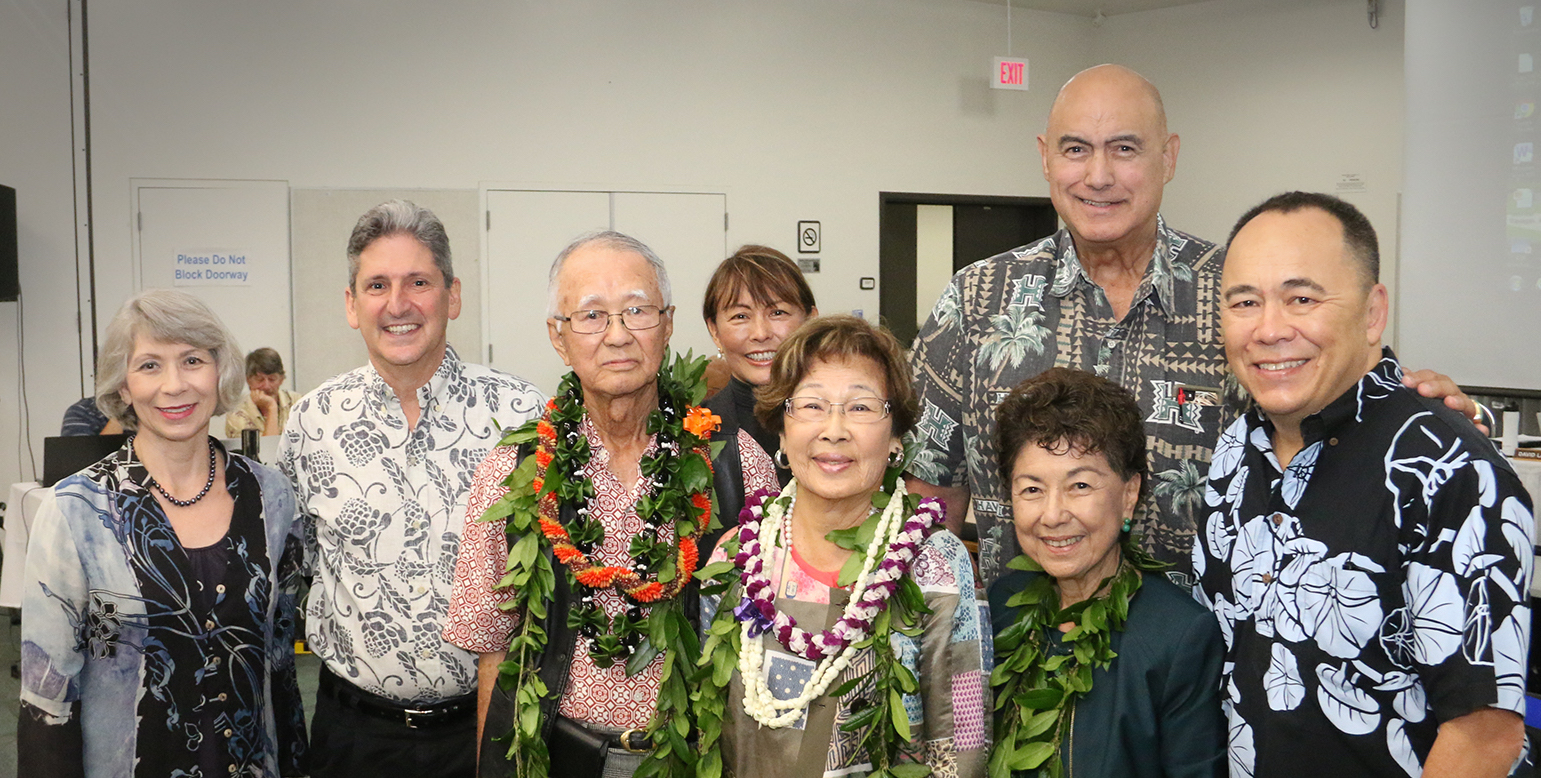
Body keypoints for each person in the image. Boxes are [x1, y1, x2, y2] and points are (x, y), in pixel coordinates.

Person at [906, 63, 1479, 589]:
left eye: (1124, 148)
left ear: (1169, 157)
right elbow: (930, 501)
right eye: (1076, 149)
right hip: (1022, 668)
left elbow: (1360, 422)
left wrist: (1435, 406)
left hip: (1209, 675)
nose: (1098, 175)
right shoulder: (977, 300)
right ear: (1045, 157)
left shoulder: (1242, 295)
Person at [1192, 192, 1533, 776]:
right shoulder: (1233, 454)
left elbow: (1483, 736)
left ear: (1373, 313)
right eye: (1244, 302)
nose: (1269, 329)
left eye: (1302, 298)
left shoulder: (1445, 469)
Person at [443, 230, 779, 777]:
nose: (618, 335)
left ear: (668, 325)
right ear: (559, 335)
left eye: (637, 310)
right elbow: (493, 650)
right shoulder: (514, 473)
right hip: (558, 756)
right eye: (592, 315)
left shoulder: (734, 465)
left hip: (695, 757)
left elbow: (759, 642)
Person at [277, 200, 544, 778]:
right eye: (377, 285)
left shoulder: (521, 416)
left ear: (453, 295)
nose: (397, 304)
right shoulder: (313, 422)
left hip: (486, 727)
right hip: (354, 737)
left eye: (418, 282)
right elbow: (294, 568)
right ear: (352, 304)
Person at [21, 288, 307, 777]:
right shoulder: (75, 511)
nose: (174, 385)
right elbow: (47, 700)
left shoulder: (273, 499)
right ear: (124, 386)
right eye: (150, 365)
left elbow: (280, 669)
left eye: (192, 360)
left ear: (220, 375)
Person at [700, 314, 991, 777]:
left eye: (860, 407)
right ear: (781, 429)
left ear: (896, 437)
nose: (834, 430)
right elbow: (709, 730)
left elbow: (963, 743)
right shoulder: (739, 554)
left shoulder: (933, 561)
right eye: (812, 406)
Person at [988, 367, 1224, 778]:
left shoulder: (1179, 637)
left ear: (1129, 494)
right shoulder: (1001, 606)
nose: (1053, 514)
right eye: (1032, 489)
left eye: (1080, 486)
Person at [702, 244, 818, 527]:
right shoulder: (694, 436)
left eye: (777, 312)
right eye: (740, 316)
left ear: (811, 320)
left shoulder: (849, 422)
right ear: (714, 331)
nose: (761, 333)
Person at [225, 347, 300, 437]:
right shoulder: (236, 414)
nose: (266, 386)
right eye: (259, 380)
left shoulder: (298, 402)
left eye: (272, 379)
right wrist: (271, 408)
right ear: (248, 380)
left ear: (281, 380)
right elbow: (266, 449)